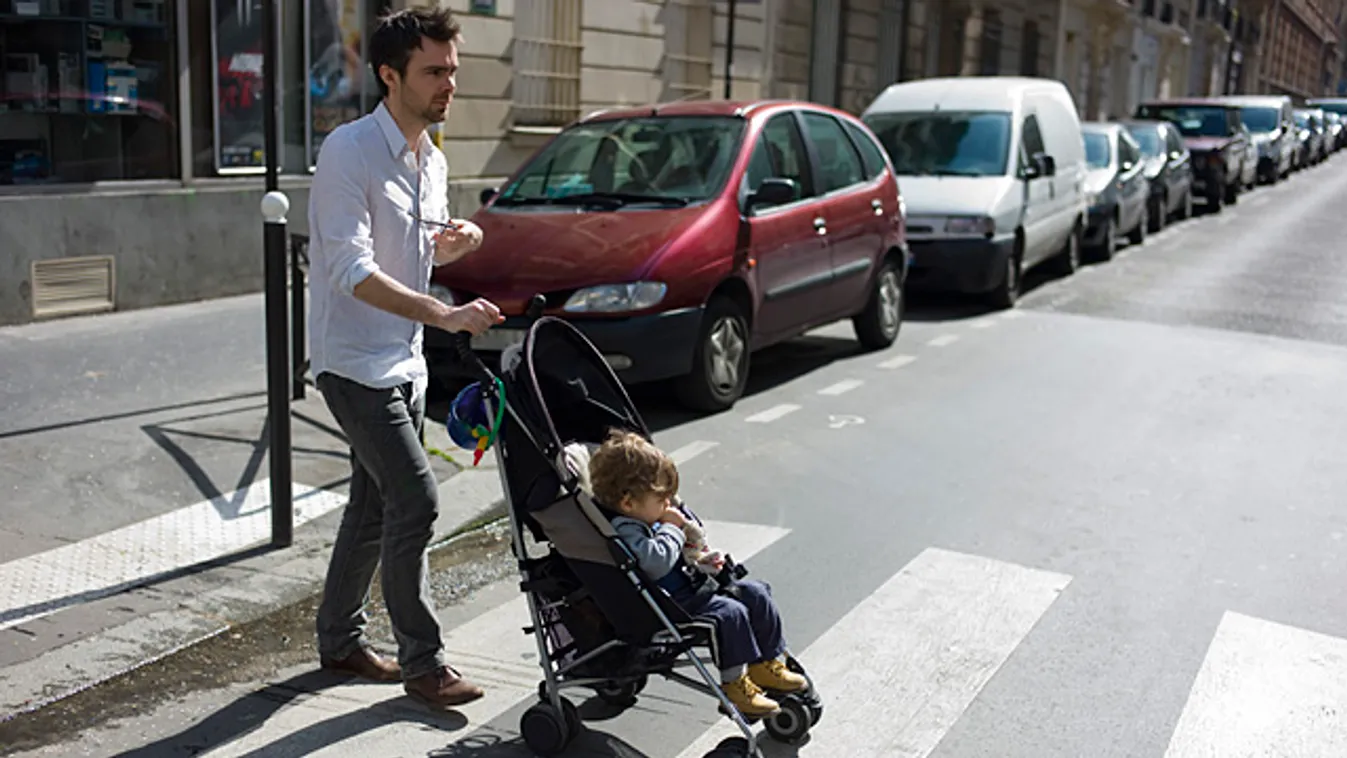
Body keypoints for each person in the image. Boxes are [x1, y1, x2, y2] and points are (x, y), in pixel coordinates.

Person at [306, 6, 501, 711]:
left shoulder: (433, 156)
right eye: (434, 71)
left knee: (370, 507)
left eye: (452, 69)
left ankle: (338, 640)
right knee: (414, 501)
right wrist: (446, 313)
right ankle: (425, 663)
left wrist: (455, 243)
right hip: (353, 363)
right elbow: (350, 271)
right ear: (390, 76)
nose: (449, 82)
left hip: (404, 360)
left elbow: (413, 249)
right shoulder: (348, 153)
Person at [587, 430, 808, 717]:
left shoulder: (647, 515)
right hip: (670, 605)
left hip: (691, 588)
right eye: (662, 499)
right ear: (629, 503)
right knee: (730, 614)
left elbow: (679, 554)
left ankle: (766, 664)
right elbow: (655, 562)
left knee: (756, 591)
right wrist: (672, 529)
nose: (669, 505)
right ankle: (734, 685)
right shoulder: (628, 528)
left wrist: (701, 561)